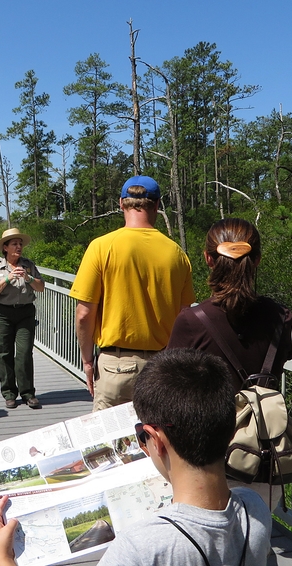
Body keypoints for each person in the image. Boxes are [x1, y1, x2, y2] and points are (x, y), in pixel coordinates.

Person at [0, 349, 272, 566]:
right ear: (230, 428)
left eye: (141, 436)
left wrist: (4, 560)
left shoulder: (140, 546)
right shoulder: (254, 509)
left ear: (155, 440)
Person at [167, 217, 292, 508]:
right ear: (257, 260)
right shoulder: (280, 317)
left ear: (208, 259)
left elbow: (167, 393)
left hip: (207, 459)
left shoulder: (191, 321)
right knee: (255, 543)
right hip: (262, 454)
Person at [70, 175, 195, 411]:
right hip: (162, 367)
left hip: (115, 367)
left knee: (111, 446)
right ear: (157, 205)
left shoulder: (101, 246)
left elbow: (84, 314)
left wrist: (87, 361)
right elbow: (185, 316)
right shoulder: (176, 254)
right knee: (159, 442)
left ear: (121, 203)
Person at [0, 228, 45, 410]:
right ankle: (9, 393)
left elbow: (40, 287)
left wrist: (28, 277)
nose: (19, 247)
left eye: (20, 244)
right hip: (2, 314)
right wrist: (8, 279)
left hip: (25, 313)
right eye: (14, 244)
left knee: (25, 353)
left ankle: (28, 393)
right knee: (4, 354)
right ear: (5, 247)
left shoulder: (28, 265)